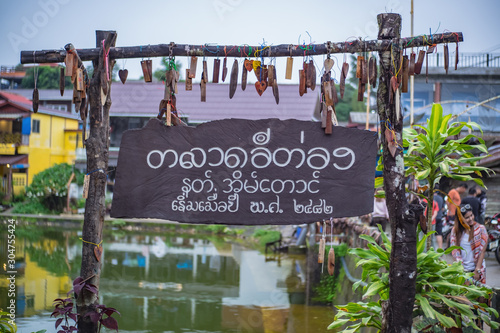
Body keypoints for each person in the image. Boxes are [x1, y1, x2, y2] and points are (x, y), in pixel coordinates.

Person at [450, 203, 487, 284]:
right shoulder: (455, 231)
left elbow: (482, 252)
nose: (471, 219)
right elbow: (454, 251)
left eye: (471, 215)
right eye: (467, 217)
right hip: (462, 271)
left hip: (477, 269)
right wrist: (461, 271)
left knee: (480, 295)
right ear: (460, 219)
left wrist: (477, 270)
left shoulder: (481, 229)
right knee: (463, 295)